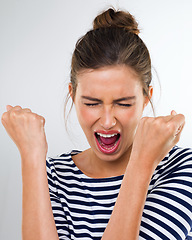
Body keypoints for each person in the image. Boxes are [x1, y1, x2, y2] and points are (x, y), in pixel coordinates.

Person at [1, 7, 192, 240]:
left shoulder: (181, 167)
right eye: (92, 103)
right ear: (73, 95)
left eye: (123, 103)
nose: (108, 121)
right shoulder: (53, 176)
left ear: (146, 98)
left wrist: (142, 162)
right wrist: (32, 156)